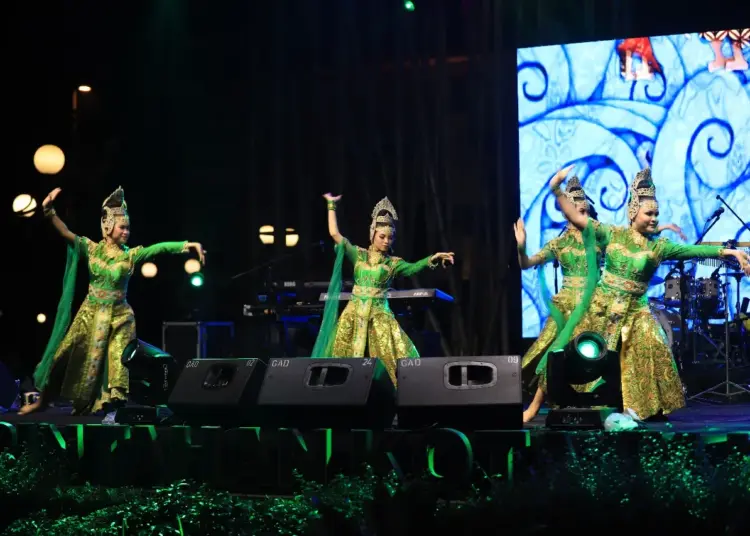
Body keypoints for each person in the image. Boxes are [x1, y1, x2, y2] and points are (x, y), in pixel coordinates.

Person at [549, 165, 750, 421]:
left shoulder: (660, 247)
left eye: (656, 213)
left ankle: (645, 409)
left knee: (653, 345)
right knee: (592, 357)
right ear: (633, 211)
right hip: (604, 306)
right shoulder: (612, 234)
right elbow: (578, 219)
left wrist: (728, 252)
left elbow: (693, 251)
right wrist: (556, 189)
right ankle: (591, 405)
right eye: (649, 213)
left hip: (637, 309)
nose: (654, 218)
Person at [19, 186, 206, 416]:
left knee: (118, 361)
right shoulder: (92, 249)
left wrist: (186, 246)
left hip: (119, 317)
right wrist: (49, 211)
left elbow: (158, 248)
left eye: (128, 228)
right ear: (108, 226)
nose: (126, 232)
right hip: (90, 313)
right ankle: (43, 401)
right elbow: (66, 233)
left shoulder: (131, 255)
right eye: (122, 227)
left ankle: (111, 406)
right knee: (63, 357)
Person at [516, 178, 685, 422]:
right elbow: (526, 264)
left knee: (607, 356)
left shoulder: (597, 241)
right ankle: (532, 409)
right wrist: (521, 248)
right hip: (566, 308)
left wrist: (658, 229)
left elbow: (631, 241)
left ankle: (619, 406)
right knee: (554, 356)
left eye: (585, 211)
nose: (582, 215)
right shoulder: (558, 244)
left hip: (593, 304)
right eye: (579, 211)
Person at [311, 193, 455, 385]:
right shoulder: (359, 255)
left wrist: (433, 258)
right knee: (341, 360)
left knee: (392, 358)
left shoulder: (393, 263)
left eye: (390, 238)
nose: (386, 241)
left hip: (379, 317)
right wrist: (331, 206)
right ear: (372, 234)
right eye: (382, 236)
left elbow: (413, 267)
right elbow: (335, 235)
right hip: (353, 315)